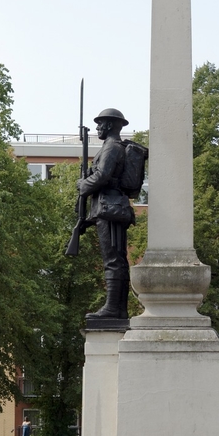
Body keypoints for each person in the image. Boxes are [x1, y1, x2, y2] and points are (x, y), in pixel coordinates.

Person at [77, 108, 136, 321]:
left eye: (100, 123)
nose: (97, 128)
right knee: (115, 259)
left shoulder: (112, 147)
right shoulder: (110, 147)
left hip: (111, 209)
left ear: (110, 125)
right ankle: (117, 308)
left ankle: (114, 308)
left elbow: (103, 176)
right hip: (108, 207)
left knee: (113, 260)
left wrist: (84, 185)